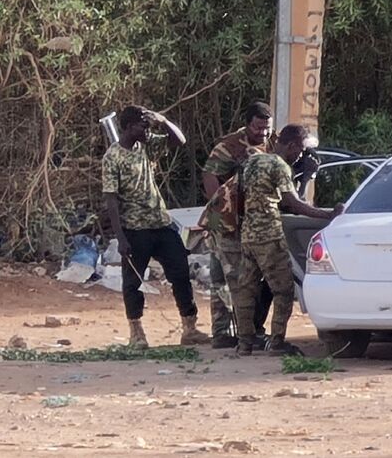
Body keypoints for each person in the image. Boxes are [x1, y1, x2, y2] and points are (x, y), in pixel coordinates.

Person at [102, 106, 210, 349]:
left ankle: (189, 327)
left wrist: (162, 120)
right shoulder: (113, 157)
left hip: (160, 222)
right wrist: (120, 237)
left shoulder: (146, 145)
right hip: (134, 228)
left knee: (181, 273)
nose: (146, 129)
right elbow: (111, 199)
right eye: (142, 125)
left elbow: (179, 140)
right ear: (129, 128)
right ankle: (136, 333)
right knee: (133, 282)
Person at [234, 124, 341, 356]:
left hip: (248, 234)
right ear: (292, 145)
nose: (301, 155)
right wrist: (329, 215)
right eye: (301, 150)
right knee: (282, 290)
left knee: (246, 290)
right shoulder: (280, 166)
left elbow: (241, 195)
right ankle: (277, 341)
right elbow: (294, 203)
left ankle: (244, 343)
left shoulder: (253, 161)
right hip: (269, 235)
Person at [201, 102, 275, 349]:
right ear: (247, 124)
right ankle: (226, 332)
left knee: (232, 276)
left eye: (266, 128)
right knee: (228, 277)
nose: (262, 133)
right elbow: (209, 174)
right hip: (225, 221)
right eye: (257, 128)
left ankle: (233, 331)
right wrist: (221, 203)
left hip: (248, 220)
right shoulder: (230, 146)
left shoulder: (272, 143)